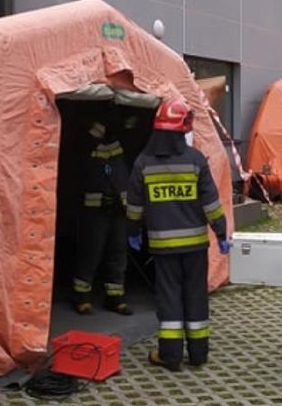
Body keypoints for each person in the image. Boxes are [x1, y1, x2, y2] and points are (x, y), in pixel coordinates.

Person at [127, 97, 230, 371]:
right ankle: (198, 354)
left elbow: (135, 205)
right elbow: (211, 203)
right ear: (182, 128)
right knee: (196, 296)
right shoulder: (195, 160)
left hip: (164, 249)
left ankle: (170, 355)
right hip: (195, 247)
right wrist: (221, 234)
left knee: (169, 298)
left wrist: (133, 231)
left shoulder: (144, 163)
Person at [72, 109, 132, 315]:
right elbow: (81, 163)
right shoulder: (84, 145)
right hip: (94, 211)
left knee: (118, 254)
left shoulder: (120, 144)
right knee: (91, 253)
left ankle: (115, 298)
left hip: (119, 210)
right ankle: (81, 297)